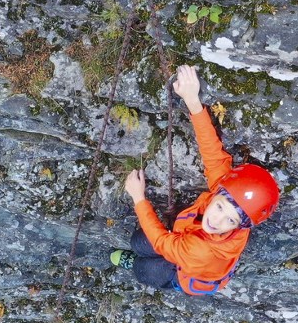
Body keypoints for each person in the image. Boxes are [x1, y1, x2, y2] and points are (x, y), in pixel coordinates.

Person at [110, 64, 279, 296]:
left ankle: (146, 269)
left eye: (230, 220)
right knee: (138, 241)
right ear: (220, 193)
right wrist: (192, 101)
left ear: (238, 225)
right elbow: (213, 154)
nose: (217, 220)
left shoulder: (202, 250)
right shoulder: (234, 198)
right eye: (220, 206)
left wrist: (139, 198)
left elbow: (161, 242)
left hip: (189, 267)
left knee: (144, 270)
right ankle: (144, 258)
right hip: (186, 240)